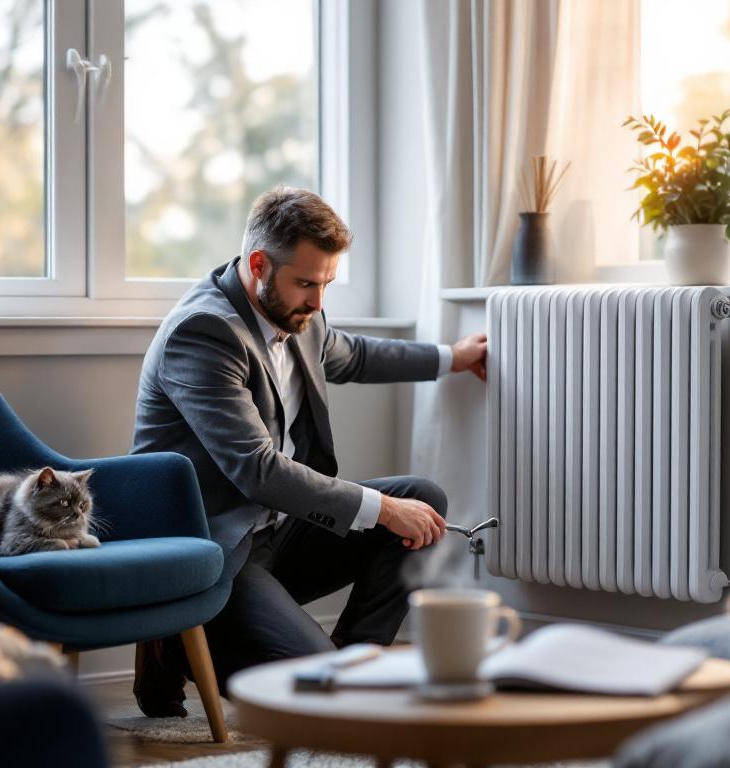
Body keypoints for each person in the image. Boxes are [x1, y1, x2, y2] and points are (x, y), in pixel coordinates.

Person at [130, 186, 488, 716]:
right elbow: (256, 470)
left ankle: (346, 676)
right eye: (306, 283)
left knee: (423, 499)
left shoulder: (297, 312)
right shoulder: (203, 333)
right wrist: (384, 510)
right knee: (394, 510)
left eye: (327, 283)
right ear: (258, 265)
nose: (319, 302)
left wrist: (452, 357)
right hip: (220, 548)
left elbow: (356, 356)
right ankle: (177, 637)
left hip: (280, 531)